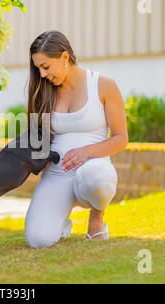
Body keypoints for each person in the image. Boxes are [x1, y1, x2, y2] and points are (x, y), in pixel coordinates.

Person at [25, 30, 128, 248]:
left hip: (92, 168)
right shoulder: (44, 91)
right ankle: (59, 222)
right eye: (38, 69)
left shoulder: (103, 85)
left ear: (64, 57)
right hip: (56, 173)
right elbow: (37, 139)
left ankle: (96, 219)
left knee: (98, 178)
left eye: (45, 67)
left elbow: (121, 138)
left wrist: (85, 152)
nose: (42, 75)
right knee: (38, 240)